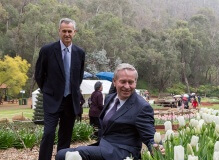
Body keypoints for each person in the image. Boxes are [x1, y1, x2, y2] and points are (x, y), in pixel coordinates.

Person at [56, 63, 164, 160]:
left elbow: (150, 136)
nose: (127, 86)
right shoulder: (110, 98)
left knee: (64, 155)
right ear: (114, 81)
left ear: (135, 83)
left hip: (123, 153)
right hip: (104, 146)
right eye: (123, 81)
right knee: (63, 154)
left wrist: (157, 146)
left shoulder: (142, 107)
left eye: (131, 82)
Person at [34, 18, 85, 160]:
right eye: (64, 31)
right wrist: (48, 91)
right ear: (59, 31)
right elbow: (39, 74)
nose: (67, 34)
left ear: (74, 32)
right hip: (52, 100)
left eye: (70, 31)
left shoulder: (80, 53)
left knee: (66, 135)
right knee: (49, 133)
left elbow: (78, 77)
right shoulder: (47, 50)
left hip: (71, 101)